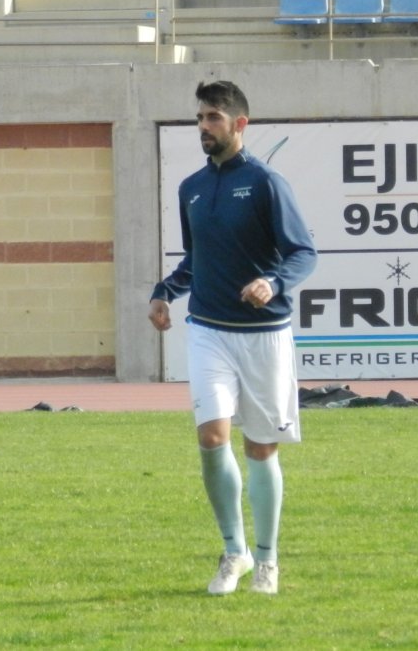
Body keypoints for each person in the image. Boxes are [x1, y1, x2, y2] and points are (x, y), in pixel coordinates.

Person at [148, 81, 317, 594]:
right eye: (200, 117)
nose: (204, 126)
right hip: (208, 331)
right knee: (211, 436)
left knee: (261, 448)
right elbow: (197, 259)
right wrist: (165, 291)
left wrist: (274, 282)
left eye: (214, 118)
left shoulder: (267, 183)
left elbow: (303, 253)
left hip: (264, 336)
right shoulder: (191, 189)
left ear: (240, 124)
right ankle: (234, 552)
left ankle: (267, 559)